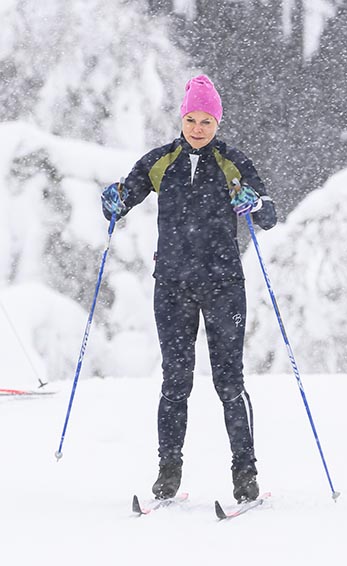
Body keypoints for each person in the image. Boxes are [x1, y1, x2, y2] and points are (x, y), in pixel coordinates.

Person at [100, 75, 277, 502]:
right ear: (182, 118)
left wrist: (252, 203)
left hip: (223, 286)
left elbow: (268, 214)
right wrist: (112, 201)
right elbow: (125, 197)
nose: (198, 127)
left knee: (229, 382)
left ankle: (245, 473)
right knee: (175, 382)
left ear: (218, 122)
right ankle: (168, 471)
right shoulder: (161, 160)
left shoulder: (232, 163)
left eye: (207, 120)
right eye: (192, 119)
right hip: (173, 286)